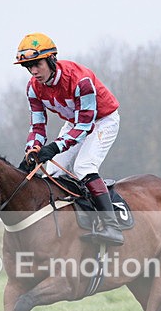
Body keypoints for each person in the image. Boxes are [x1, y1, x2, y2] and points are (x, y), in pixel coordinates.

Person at [15, 32, 124, 246]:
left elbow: (86, 124)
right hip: (76, 121)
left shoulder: (79, 79)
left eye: (37, 64)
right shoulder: (33, 88)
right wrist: (33, 148)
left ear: (51, 59)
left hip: (102, 120)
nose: (34, 71)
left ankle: (112, 226)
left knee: (84, 167)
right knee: (52, 171)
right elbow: (37, 125)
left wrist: (54, 147)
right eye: (28, 66)